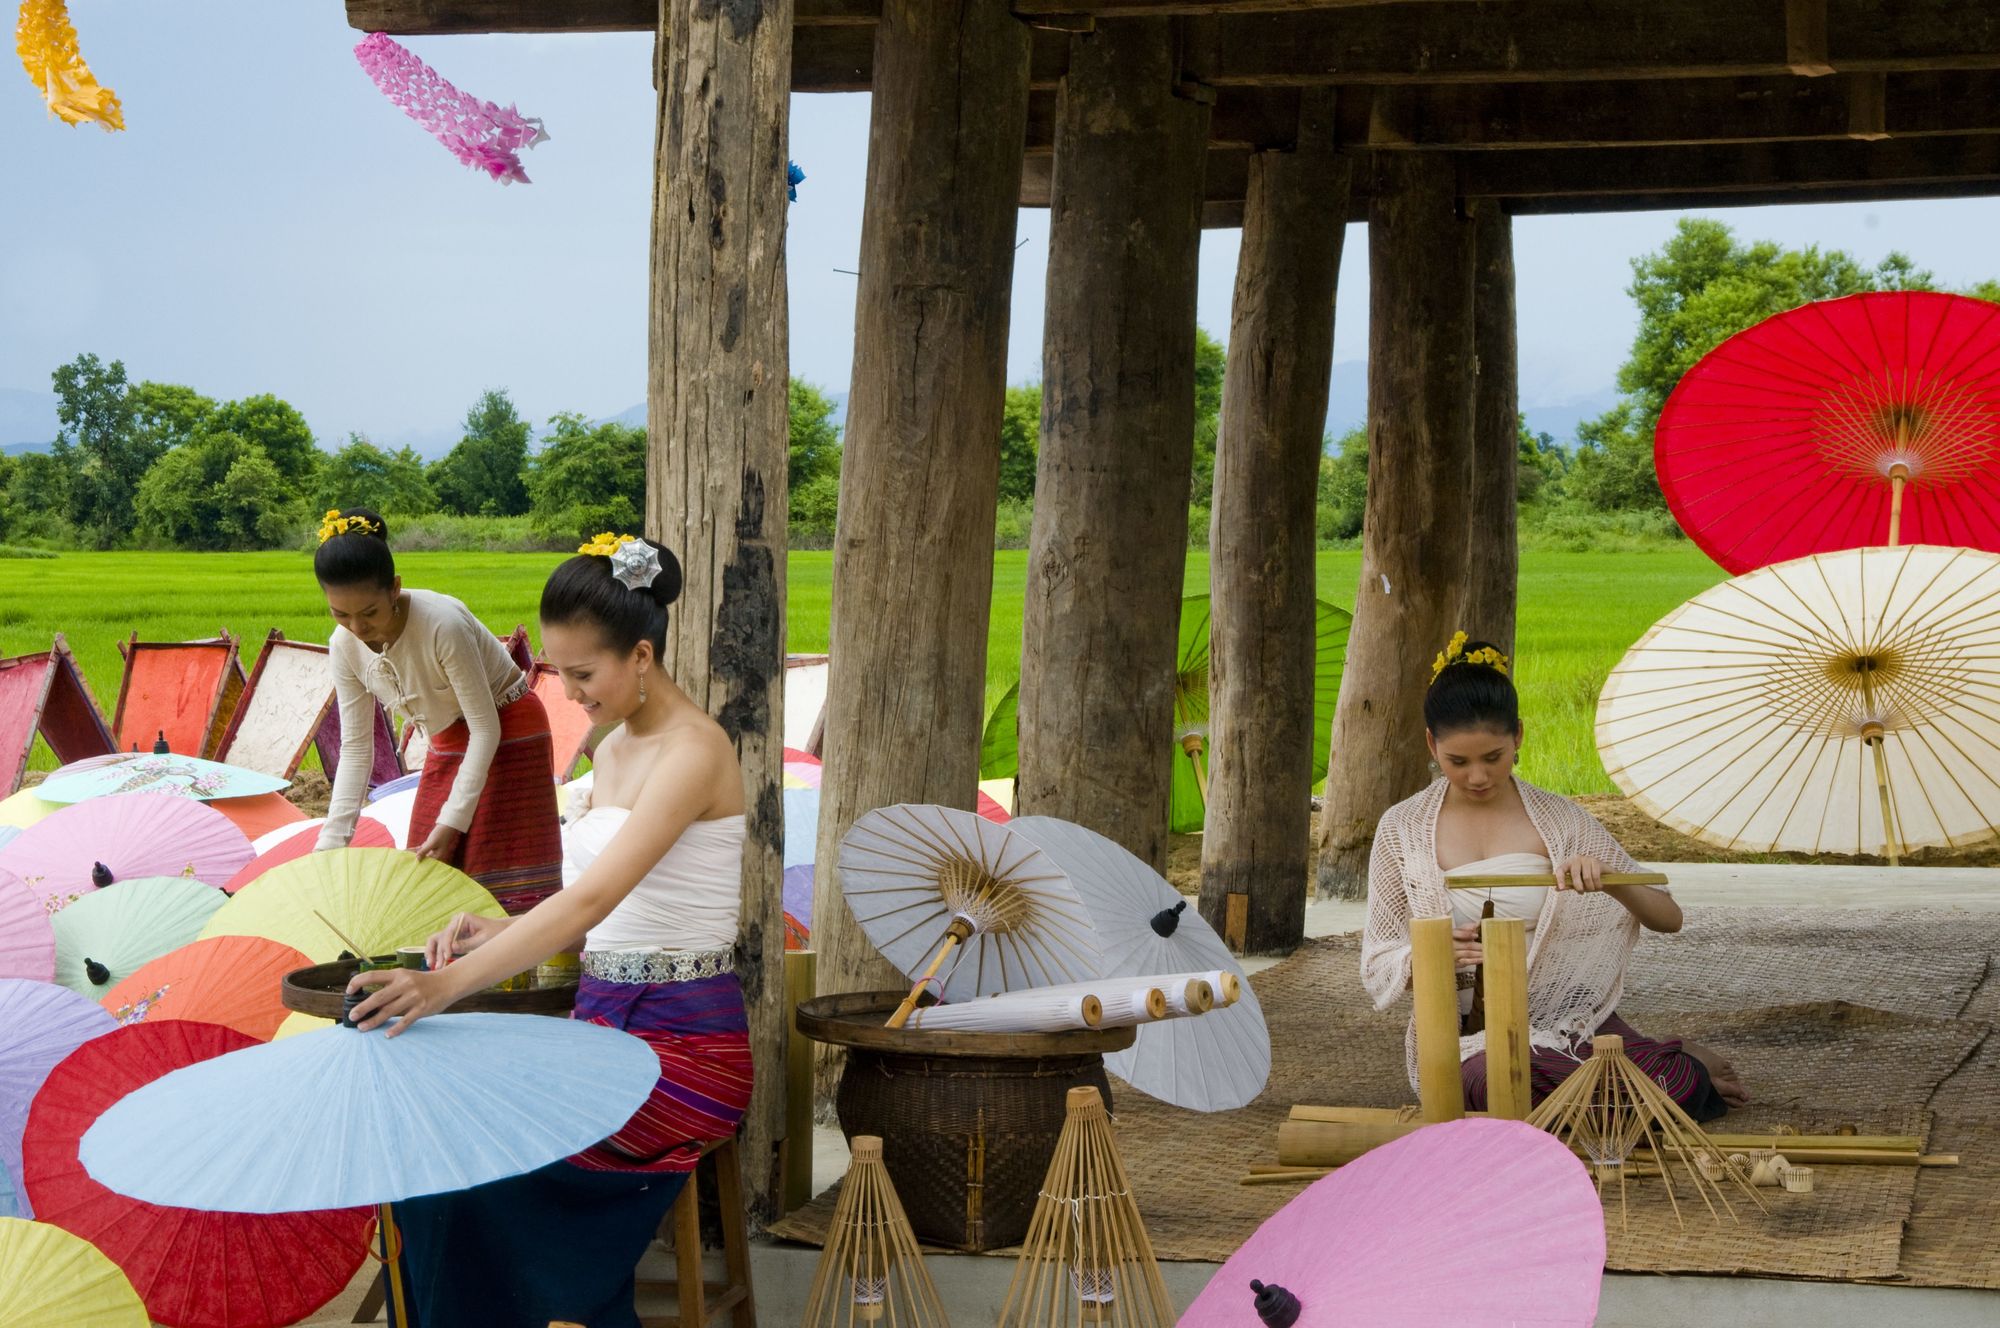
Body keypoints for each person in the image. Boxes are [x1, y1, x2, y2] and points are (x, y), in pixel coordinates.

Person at [349, 533, 753, 1328]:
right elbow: (609, 909)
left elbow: (593, 902)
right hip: (600, 1031)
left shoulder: (695, 751)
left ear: (642, 656)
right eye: (558, 673)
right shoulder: (613, 748)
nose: (568, 694)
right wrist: (497, 928)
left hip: (685, 1049)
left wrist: (442, 986)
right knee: (435, 1138)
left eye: (583, 675)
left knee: (487, 1161)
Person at [1360, 633, 1747, 1121]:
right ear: (1431, 744)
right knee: (1498, 1085)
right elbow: (1378, 959)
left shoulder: (1561, 822)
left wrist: (1608, 877)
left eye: (1493, 757)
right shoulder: (1402, 828)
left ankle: (1667, 1066)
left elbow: (1668, 918)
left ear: (1518, 737)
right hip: (1469, 1037)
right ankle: (1656, 1061)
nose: (1478, 776)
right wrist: (1429, 954)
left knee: (1666, 1088)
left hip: (1567, 1016)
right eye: (1458, 761)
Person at [313, 507, 562, 913]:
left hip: (510, 726)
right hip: (448, 737)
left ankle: (521, 950)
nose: (357, 627)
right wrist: (329, 846)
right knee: (426, 875)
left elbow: (485, 729)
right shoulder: (344, 646)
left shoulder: (442, 624)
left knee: (497, 872)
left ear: (394, 588)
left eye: (369, 613)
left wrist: (453, 820)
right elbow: (357, 749)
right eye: (341, 614)